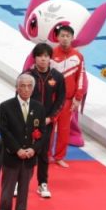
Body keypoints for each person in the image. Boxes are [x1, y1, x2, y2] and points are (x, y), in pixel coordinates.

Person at [0, 74, 46, 210]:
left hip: (29, 157)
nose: (25, 89)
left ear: (33, 88)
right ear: (17, 88)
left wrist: (34, 149)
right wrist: (17, 149)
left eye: (29, 86)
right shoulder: (6, 106)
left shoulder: (39, 108)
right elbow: (4, 131)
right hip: (12, 155)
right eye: (22, 86)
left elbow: (42, 132)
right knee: (8, 189)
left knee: (24, 190)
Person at [25, 43, 66, 199]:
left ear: (50, 58)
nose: (43, 59)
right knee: (26, 151)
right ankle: (20, 182)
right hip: (29, 121)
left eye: (46, 56)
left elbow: (61, 100)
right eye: (40, 56)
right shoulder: (27, 75)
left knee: (43, 153)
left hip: (47, 121)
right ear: (34, 58)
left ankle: (43, 183)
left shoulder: (57, 77)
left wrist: (51, 117)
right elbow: (20, 96)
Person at [50, 23, 87, 167]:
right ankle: (46, 156)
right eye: (62, 36)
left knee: (64, 129)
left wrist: (78, 98)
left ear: (72, 38)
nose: (65, 39)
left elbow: (81, 78)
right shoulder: (51, 54)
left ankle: (59, 156)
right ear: (58, 37)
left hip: (68, 100)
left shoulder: (78, 56)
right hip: (53, 99)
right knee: (49, 129)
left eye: (68, 36)